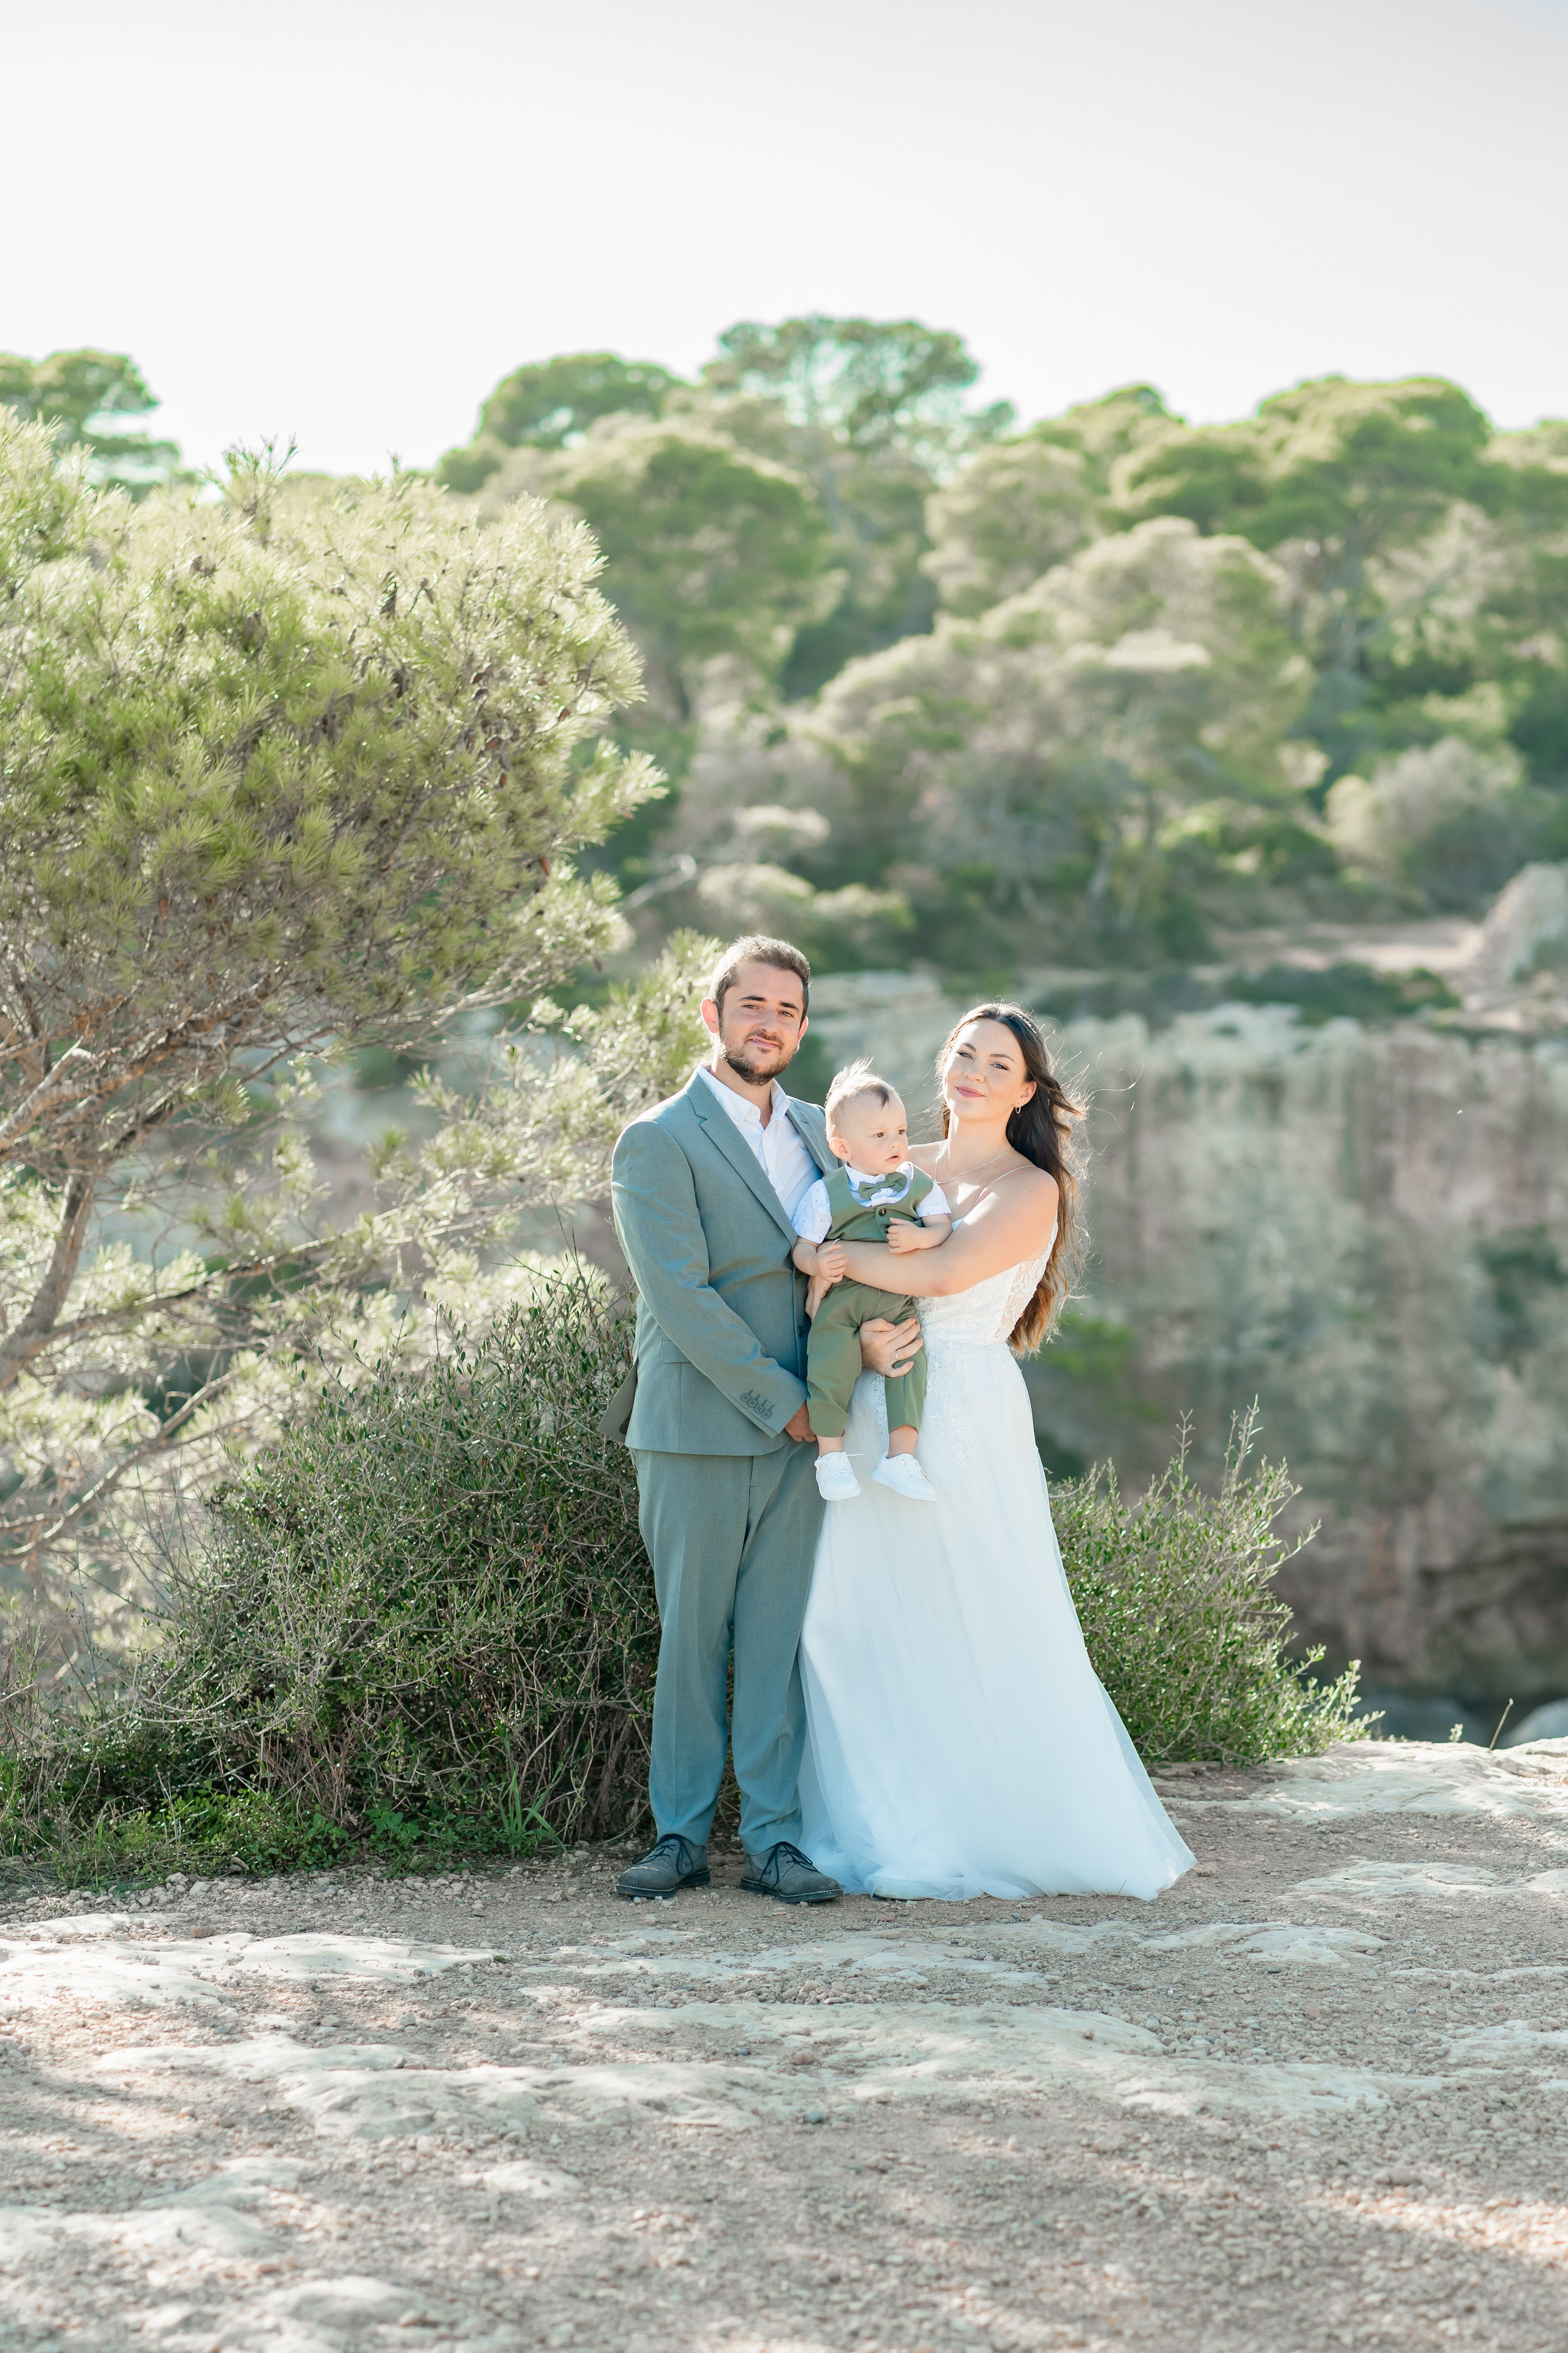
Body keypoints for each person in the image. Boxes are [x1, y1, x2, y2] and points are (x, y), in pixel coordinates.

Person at [797, 1002, 1195, 1902]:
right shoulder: (901, 1166)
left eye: (998, 1063)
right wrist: (852, 1337)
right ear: (943, 1066)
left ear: (1026, 1089)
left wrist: (830, 1263)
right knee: (852, 1617)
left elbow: (938, 1278)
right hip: (871, 1403)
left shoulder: (1031, 1187)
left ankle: (993, 1820)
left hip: (964, 1411)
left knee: (976, 1608)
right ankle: (885, 1818)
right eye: (964, 1054)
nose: (974, 1071)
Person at [606, 935, 922, 1905]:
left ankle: (777, 1842)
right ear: (713, 1015)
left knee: (780, 1636)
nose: (768, 1023)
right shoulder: (656, 1138)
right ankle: (680, 1835)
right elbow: (683, 1300)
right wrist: (789, 1405)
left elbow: (864, 1257)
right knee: (692, 1636)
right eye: (751, 1006)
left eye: (787, 1010)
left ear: (802, 1026)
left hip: (810, 1438)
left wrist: (861, 1361)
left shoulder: (832, 1130)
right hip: (700, 1425)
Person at [789, 1060, 952, 1503]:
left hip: (897, 1301)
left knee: (911, 1361)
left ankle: (901, 1455)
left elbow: (942, 1227)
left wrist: (921, 1235)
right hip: (841, 1301)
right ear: (843, 1146)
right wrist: (817, 1264)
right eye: (879, 1135)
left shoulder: (916, 1182)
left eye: (899, 1130)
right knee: (829, 1357)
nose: (896, 1142)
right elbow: (802, 1248)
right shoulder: (827, 1191)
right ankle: (831, 1453)